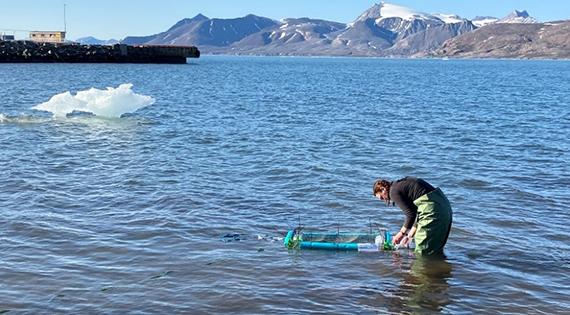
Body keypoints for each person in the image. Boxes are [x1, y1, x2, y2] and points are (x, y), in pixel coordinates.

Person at [373, 177, 453, 255]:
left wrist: (400, 234)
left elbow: (410, 215)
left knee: (422, 251)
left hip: (432, 209)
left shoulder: (393, 192)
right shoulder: (400, 185)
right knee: (435, 248)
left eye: (382, 197)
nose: (384, 200)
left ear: (383, 189)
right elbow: (418, 214)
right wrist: (409, 236)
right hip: (444, 206)